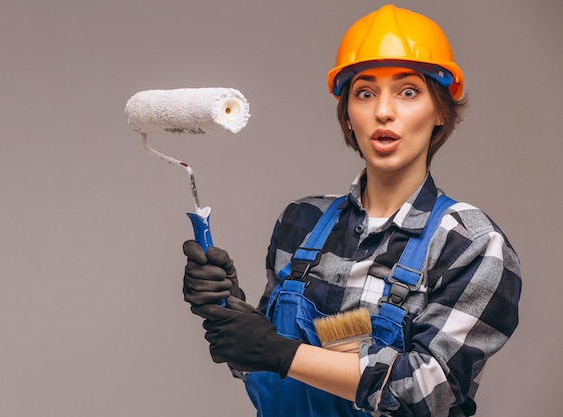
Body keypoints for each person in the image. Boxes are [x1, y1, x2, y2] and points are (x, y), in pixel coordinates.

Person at [182, 4, 521, 417]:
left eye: (408, 91)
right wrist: (229, 310)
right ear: (348, 116)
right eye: (365, 92)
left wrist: (277, 350)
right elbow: (278, 365)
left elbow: (426, 393)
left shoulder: (471, 244)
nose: (383, 110)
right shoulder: (302, 222)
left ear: (439, 112)